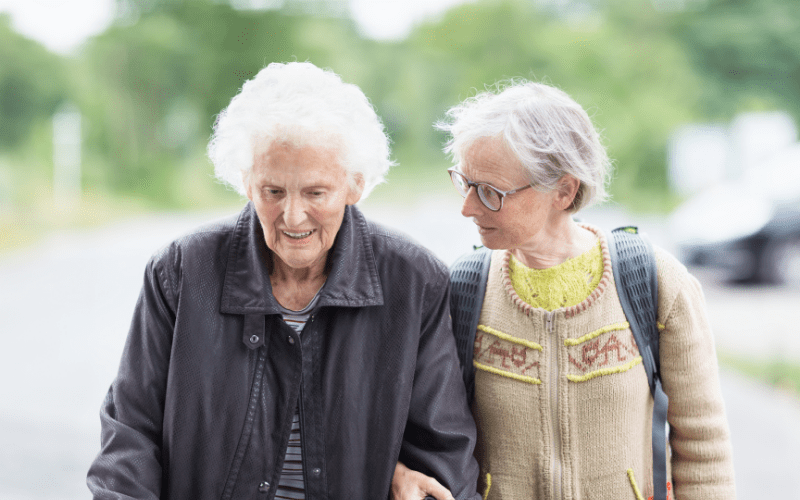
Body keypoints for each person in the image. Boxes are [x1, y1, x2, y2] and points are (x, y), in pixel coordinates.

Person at [87, 61, 481, 500]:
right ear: (246, 182)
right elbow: (129, 435)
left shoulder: (414, 280)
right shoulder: (181, 270)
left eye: (316, 193)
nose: (293, 217)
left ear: (355, 185)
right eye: (273, 191)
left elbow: (443, 453)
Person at [392, 80, 736, 499]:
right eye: (465, 183)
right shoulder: (463, 291)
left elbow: (703, 443)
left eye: (489, 192)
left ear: (563, 190)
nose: (467, 207)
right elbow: (410, 426)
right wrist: (398, 470)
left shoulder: (656, 282)